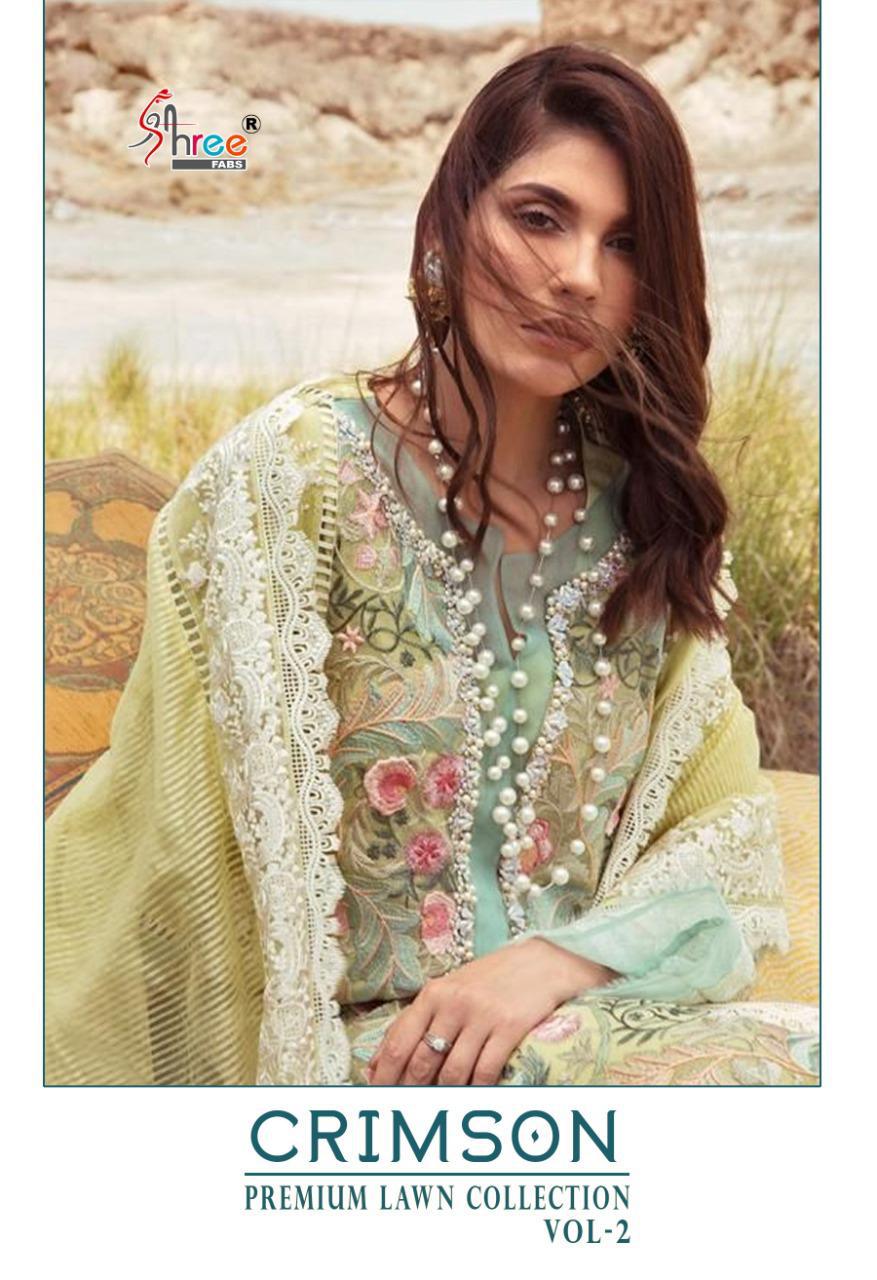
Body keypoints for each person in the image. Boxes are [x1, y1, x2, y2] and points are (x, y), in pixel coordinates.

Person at [45, 44, 819, 1087]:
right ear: (450, 223)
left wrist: (554, 961)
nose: (578, 275)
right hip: (352, 1060)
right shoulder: (295, 475)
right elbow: (186, 861)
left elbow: (723, 844)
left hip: (580, 1014)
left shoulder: (647, 513)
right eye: (539, 217)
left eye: (626, 243)